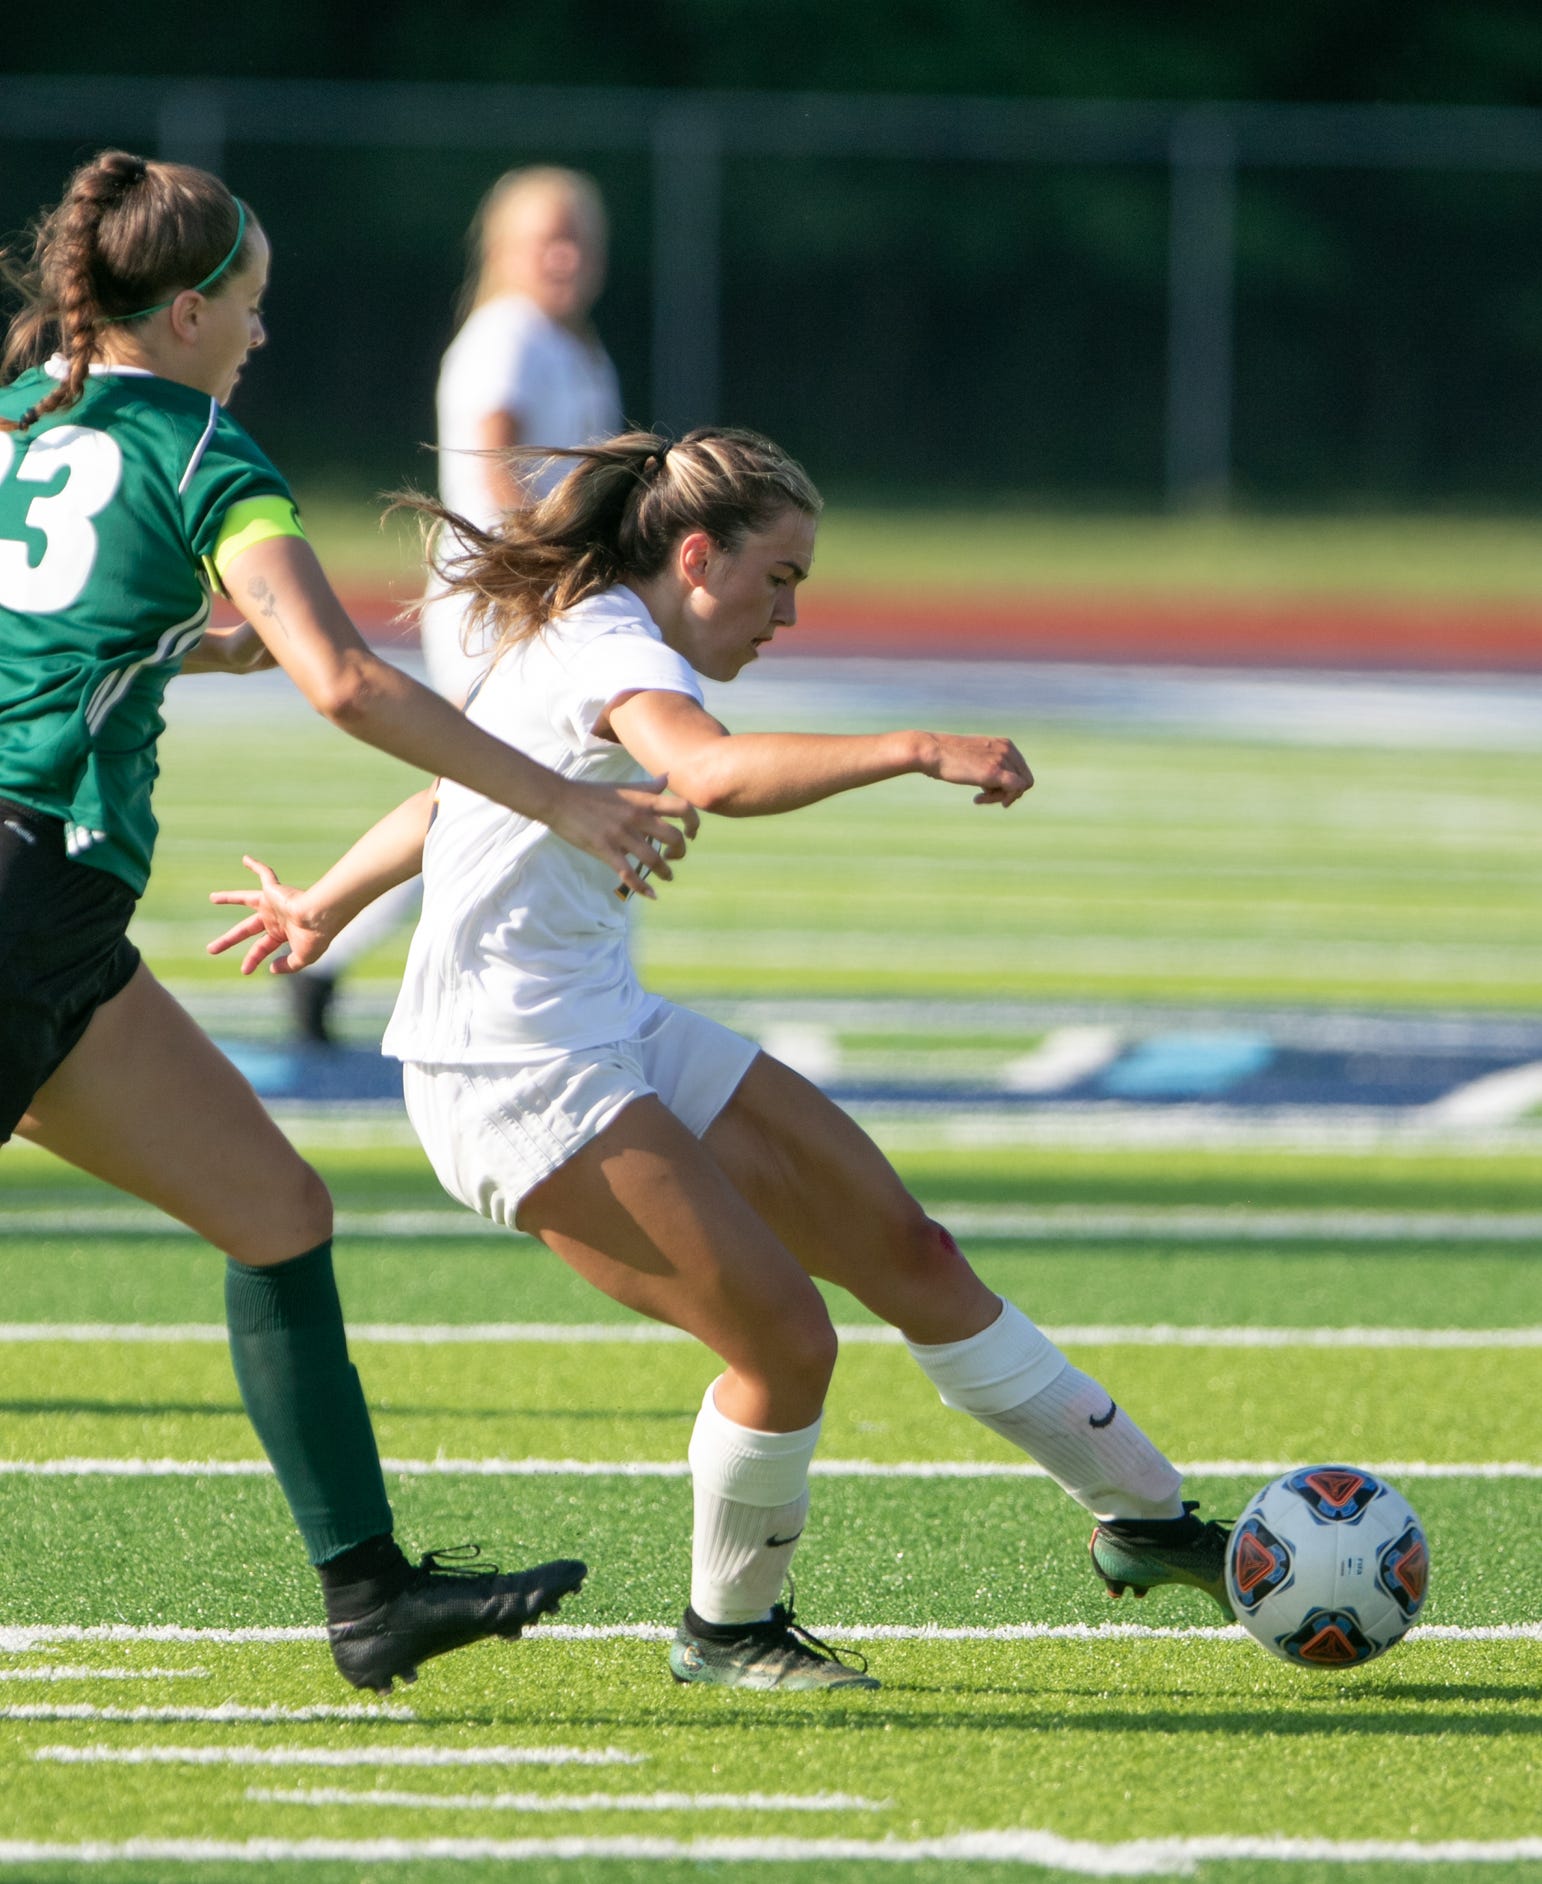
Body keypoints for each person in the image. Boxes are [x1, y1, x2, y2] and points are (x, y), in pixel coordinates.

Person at [211, 427, 1234, 1693]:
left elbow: (450, 800)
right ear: (695, 555)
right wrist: (917, 748)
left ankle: (1145, 1513)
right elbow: (709, 772)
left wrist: (324, 905)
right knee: (788, 1344)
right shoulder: (609, 645)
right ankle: (728, 1632)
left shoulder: (584, 630)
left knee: (912, 1255)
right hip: (510, 1073)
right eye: (780, 578)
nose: (789, 614)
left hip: (609, 1026)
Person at [0, 151, 697, 1694]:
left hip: (53, 920)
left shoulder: (24, 416)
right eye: (248, 310)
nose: (260, 337)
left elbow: (58, 622)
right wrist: (561, 795)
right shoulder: (204, 450)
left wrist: (199, 643)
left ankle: (369, 1597)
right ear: (183, 312)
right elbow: (351, 683)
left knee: (276, 1214)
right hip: (27, 884)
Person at [291, 166, 622, 1047]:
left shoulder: (574, 345)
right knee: (509, 791)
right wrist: (554, 582)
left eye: (578, 237)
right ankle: (345, 950)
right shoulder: (509, 335)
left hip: (531, 596)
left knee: (510, 793)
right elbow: (495, 467)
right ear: (505, 249)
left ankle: (333, 951)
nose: (564, 255)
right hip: (503, 601)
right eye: (545, 237)